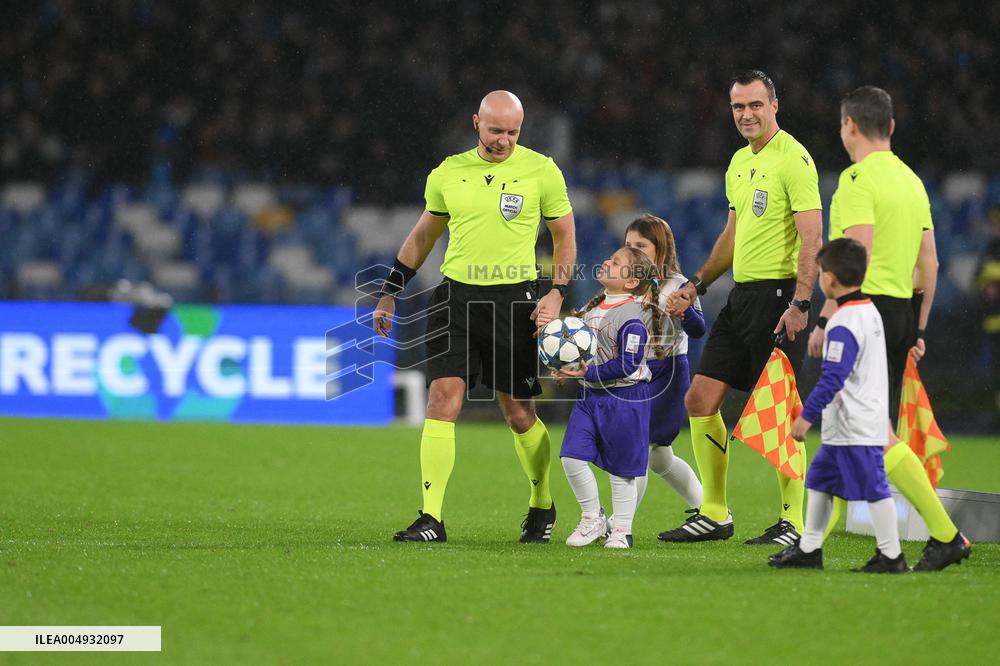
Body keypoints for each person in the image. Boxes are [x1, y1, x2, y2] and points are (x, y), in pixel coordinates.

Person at [375, 90, 576, 544]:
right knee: (442, 399)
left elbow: (564, 236)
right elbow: (423, 235)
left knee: (519, 413)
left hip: (515, 301)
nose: (503, 140)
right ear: (476, 124)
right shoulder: (448, 173)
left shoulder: (542, 170)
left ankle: (542, 503)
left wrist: (558, 292)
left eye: (512, 132)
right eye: (495, 131)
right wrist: (390, 291)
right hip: (455, 298)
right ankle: (431, 517)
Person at [808, 86, 971, 570]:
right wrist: (918, 328)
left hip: (863, 310)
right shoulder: (912, 182)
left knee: (871, 432)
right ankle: (811, 543)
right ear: (892, 127)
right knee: (843, 430)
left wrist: (827, 314)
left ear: (849, 127)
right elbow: (931, 263)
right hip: (901, 310)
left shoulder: (857, 180)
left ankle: (946, 535)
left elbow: (854, 253)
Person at [659, 70, 822, 545]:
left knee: (782, 415)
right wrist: (697, 283)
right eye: (738, 107)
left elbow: (812, 237)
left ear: (775, 105)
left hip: (780, 297)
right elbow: (732, 236)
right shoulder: (737, 162)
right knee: (700, 399)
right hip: (741, 296)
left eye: (755, 105)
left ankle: (793, 523)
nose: (746, 114)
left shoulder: (794, 159)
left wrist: (801, 302)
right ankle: (715, 513)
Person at [769, 238, 907, 572]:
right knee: (819, 479)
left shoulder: (843, 323)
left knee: (873, 487)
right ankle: (810, 549)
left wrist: (805, 418)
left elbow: (833, 378)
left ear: (829, 279)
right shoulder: (869, 311)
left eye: (820, 273)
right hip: (856, 419)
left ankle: (892, 556)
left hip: (855, 423)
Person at [555, 247, 661, 549]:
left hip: (627, 398)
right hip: (591, 397)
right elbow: (585, 353)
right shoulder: (592, 308)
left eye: (616, 262)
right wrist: (568, 366)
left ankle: (622, 531)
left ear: (631, 282)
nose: (606, 261)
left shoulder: (632, 316)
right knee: (572, 457)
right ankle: (593, 518)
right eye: (608, 258)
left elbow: (627, 365)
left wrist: (585, 375)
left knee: (623, 469)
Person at [622, 215, 705, 522]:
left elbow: (699, 330)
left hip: (667, 373)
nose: (634, 251)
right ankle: (709, 508)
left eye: (641, 245)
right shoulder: (625, 284)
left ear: (660, 249)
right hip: (635, 373)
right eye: (629, 245)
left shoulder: (679, 285)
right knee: (659, 457)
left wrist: (685, 314)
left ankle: (620, 525)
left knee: (639, 450)